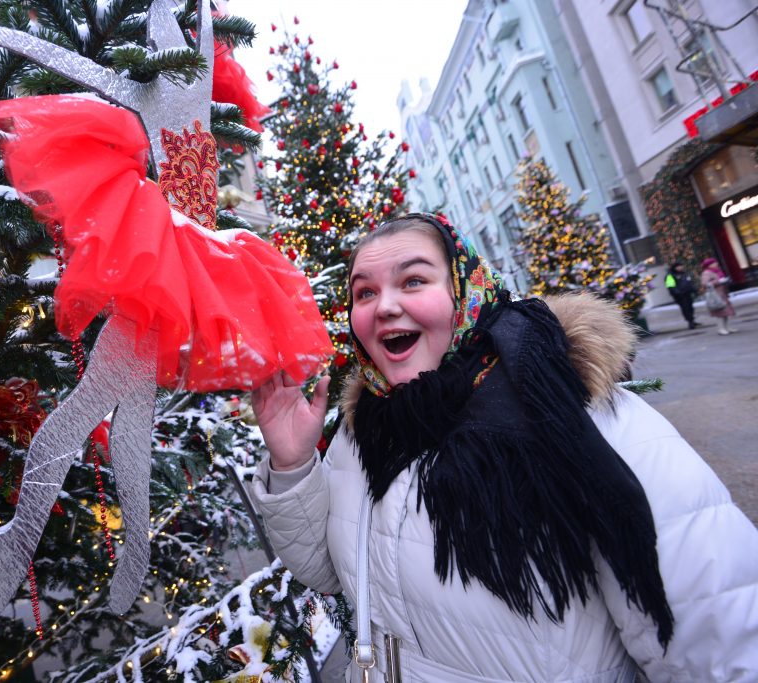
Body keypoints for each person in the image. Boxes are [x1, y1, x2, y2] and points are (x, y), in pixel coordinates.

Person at [249, 213, 758, 682]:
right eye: (364, 293)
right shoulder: (364, 432)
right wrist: (292, 465)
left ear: (467, 291)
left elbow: (716, 637)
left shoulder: (579, 418)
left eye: (413, 281)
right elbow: (330, 571)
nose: (384, 306)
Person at [700, 257, 738, 335]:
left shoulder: (718, 271)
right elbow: (705, 284)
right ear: (709, 265)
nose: (716, 264)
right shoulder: (706, 273)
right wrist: (718, 281)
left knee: (726, 312)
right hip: (715, 295)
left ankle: (727, 327)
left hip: (723, 294)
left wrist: (725, 281)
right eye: (713, 263)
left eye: (716, 262)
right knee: (720, 313)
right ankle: (721, 328)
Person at [664, 262, 698, 329]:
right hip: (680, 295)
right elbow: (670, 286)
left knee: (690, 307)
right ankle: (690, 321)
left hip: (687, 293)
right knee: (685, 308)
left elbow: (689, 283)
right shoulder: (670, 276)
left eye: (681, 266)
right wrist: (677, 293)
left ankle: (692, 320)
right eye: (678, 267)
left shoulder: (684, 274)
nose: (680, 268)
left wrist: (694, 290)